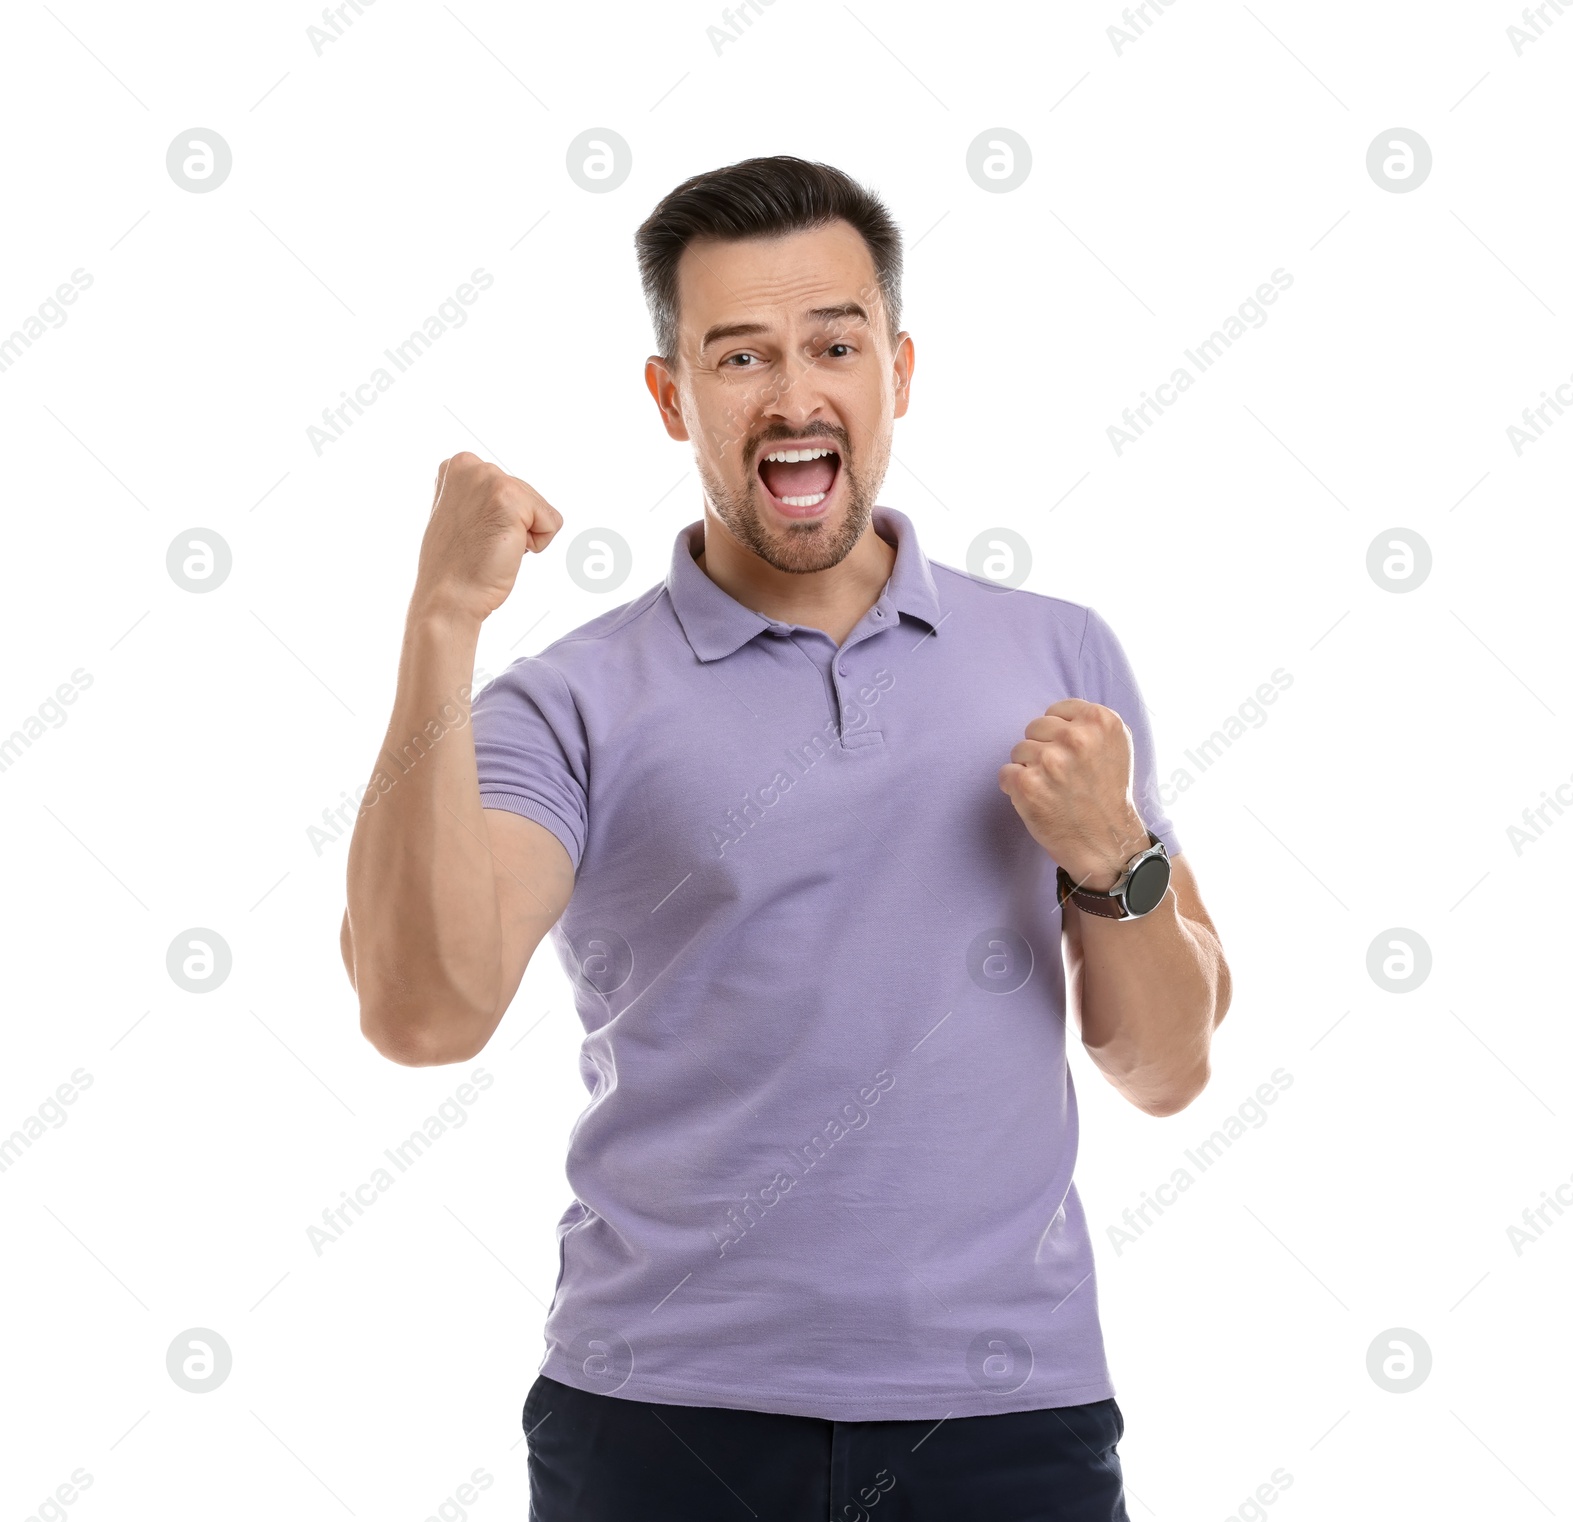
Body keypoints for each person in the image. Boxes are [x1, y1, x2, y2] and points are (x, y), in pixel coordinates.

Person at [341, 155, 1231, 1521]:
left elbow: (1165, 1066)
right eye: (740, 354)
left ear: (901, 369)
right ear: (671, 395)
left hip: (1004, 1420)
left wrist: (1115, 859)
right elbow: (423, 1010)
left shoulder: (1059, 653)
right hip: (663, 1424)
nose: (796, 394)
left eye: (835, 344)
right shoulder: (572, 700)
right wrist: (439, 621)